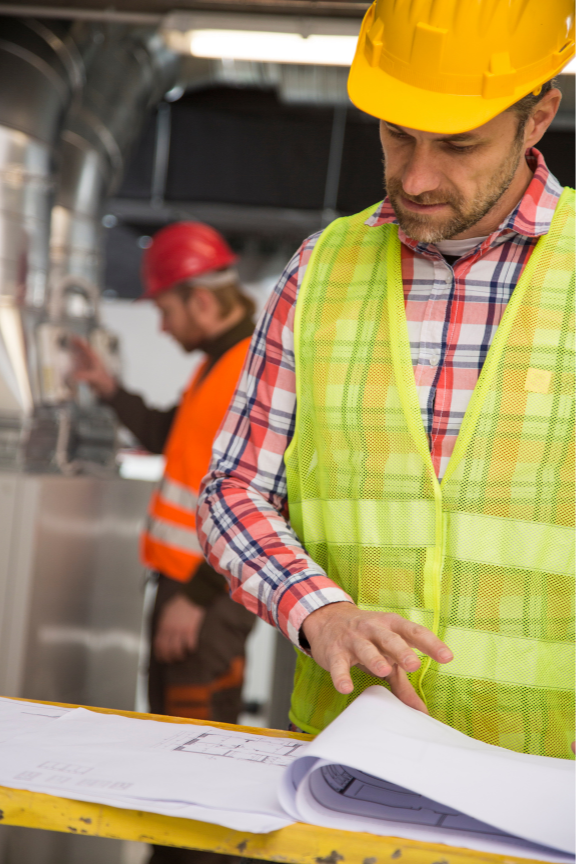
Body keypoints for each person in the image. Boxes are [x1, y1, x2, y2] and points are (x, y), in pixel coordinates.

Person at [198, 0, 576, 761]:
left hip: (551, 786)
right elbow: (233, 490)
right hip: (347, 766)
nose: (416, 176)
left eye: (458, 145)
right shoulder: (321, 270)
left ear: (537, 118)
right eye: (397, 135)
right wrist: (322, 612)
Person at [73, 224, 256, 726]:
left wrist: (195, 599)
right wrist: (108, 387)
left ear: (200, 301)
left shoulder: (249, 372)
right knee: (170, 727)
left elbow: (266, 501)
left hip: (209, 593)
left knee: (194, 735)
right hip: (191, 585)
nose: (161, 327)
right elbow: (170, 436)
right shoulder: (216, 366)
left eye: (164, 311)